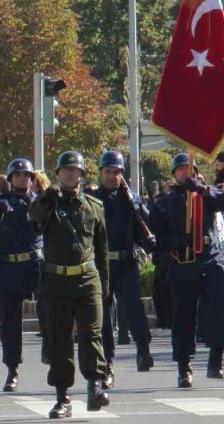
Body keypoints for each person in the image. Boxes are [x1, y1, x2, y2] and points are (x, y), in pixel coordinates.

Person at [29, 151, 110, 419]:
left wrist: (105, 287)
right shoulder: (49, 203)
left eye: (75, 170)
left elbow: (102, 248)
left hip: (87, 280)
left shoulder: (94, 207)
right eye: (65, 170)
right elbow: (35, 220)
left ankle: (95, 385)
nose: (70, 173)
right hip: (56, 282)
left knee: (91, 334)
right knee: (59, 338)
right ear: (58, 174)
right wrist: (47, 198)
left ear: (82, 175)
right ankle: (63, 397)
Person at [149, 153, 224, 388]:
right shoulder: (165, 202)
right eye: (181, 170)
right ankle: (184, 367)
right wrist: (176, 242)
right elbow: (157, 236)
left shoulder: (206, 193)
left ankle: (216, 359)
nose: (186, 173)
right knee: (183, 315)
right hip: (184, 261)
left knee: (219, 306)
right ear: (174, 173)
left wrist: (203, 189)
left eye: (190, 169)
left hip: (211, 257)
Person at [87, 151, 156, 386]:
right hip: (101, 263)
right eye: (107, 171)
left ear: (122, 175)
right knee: (104, 317)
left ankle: (143, 349)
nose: (111, 176)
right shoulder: (92, 199)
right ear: (100, 173)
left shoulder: (130, 199)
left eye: (116, 172)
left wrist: (147, 236)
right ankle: (107, 366)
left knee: (134, 307)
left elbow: (143, 226)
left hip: (126, 261)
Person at [0, 158, 45, 392]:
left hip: (35, 263)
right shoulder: (0, 202)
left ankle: (50, 350)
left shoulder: (41, 202)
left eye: (26, 175)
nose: (22, 178)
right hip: (10, 265)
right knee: (10, 321)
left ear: (32, 179)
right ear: (10, 179)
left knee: (50, 308)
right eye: (17, 175)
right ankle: (12, 370)